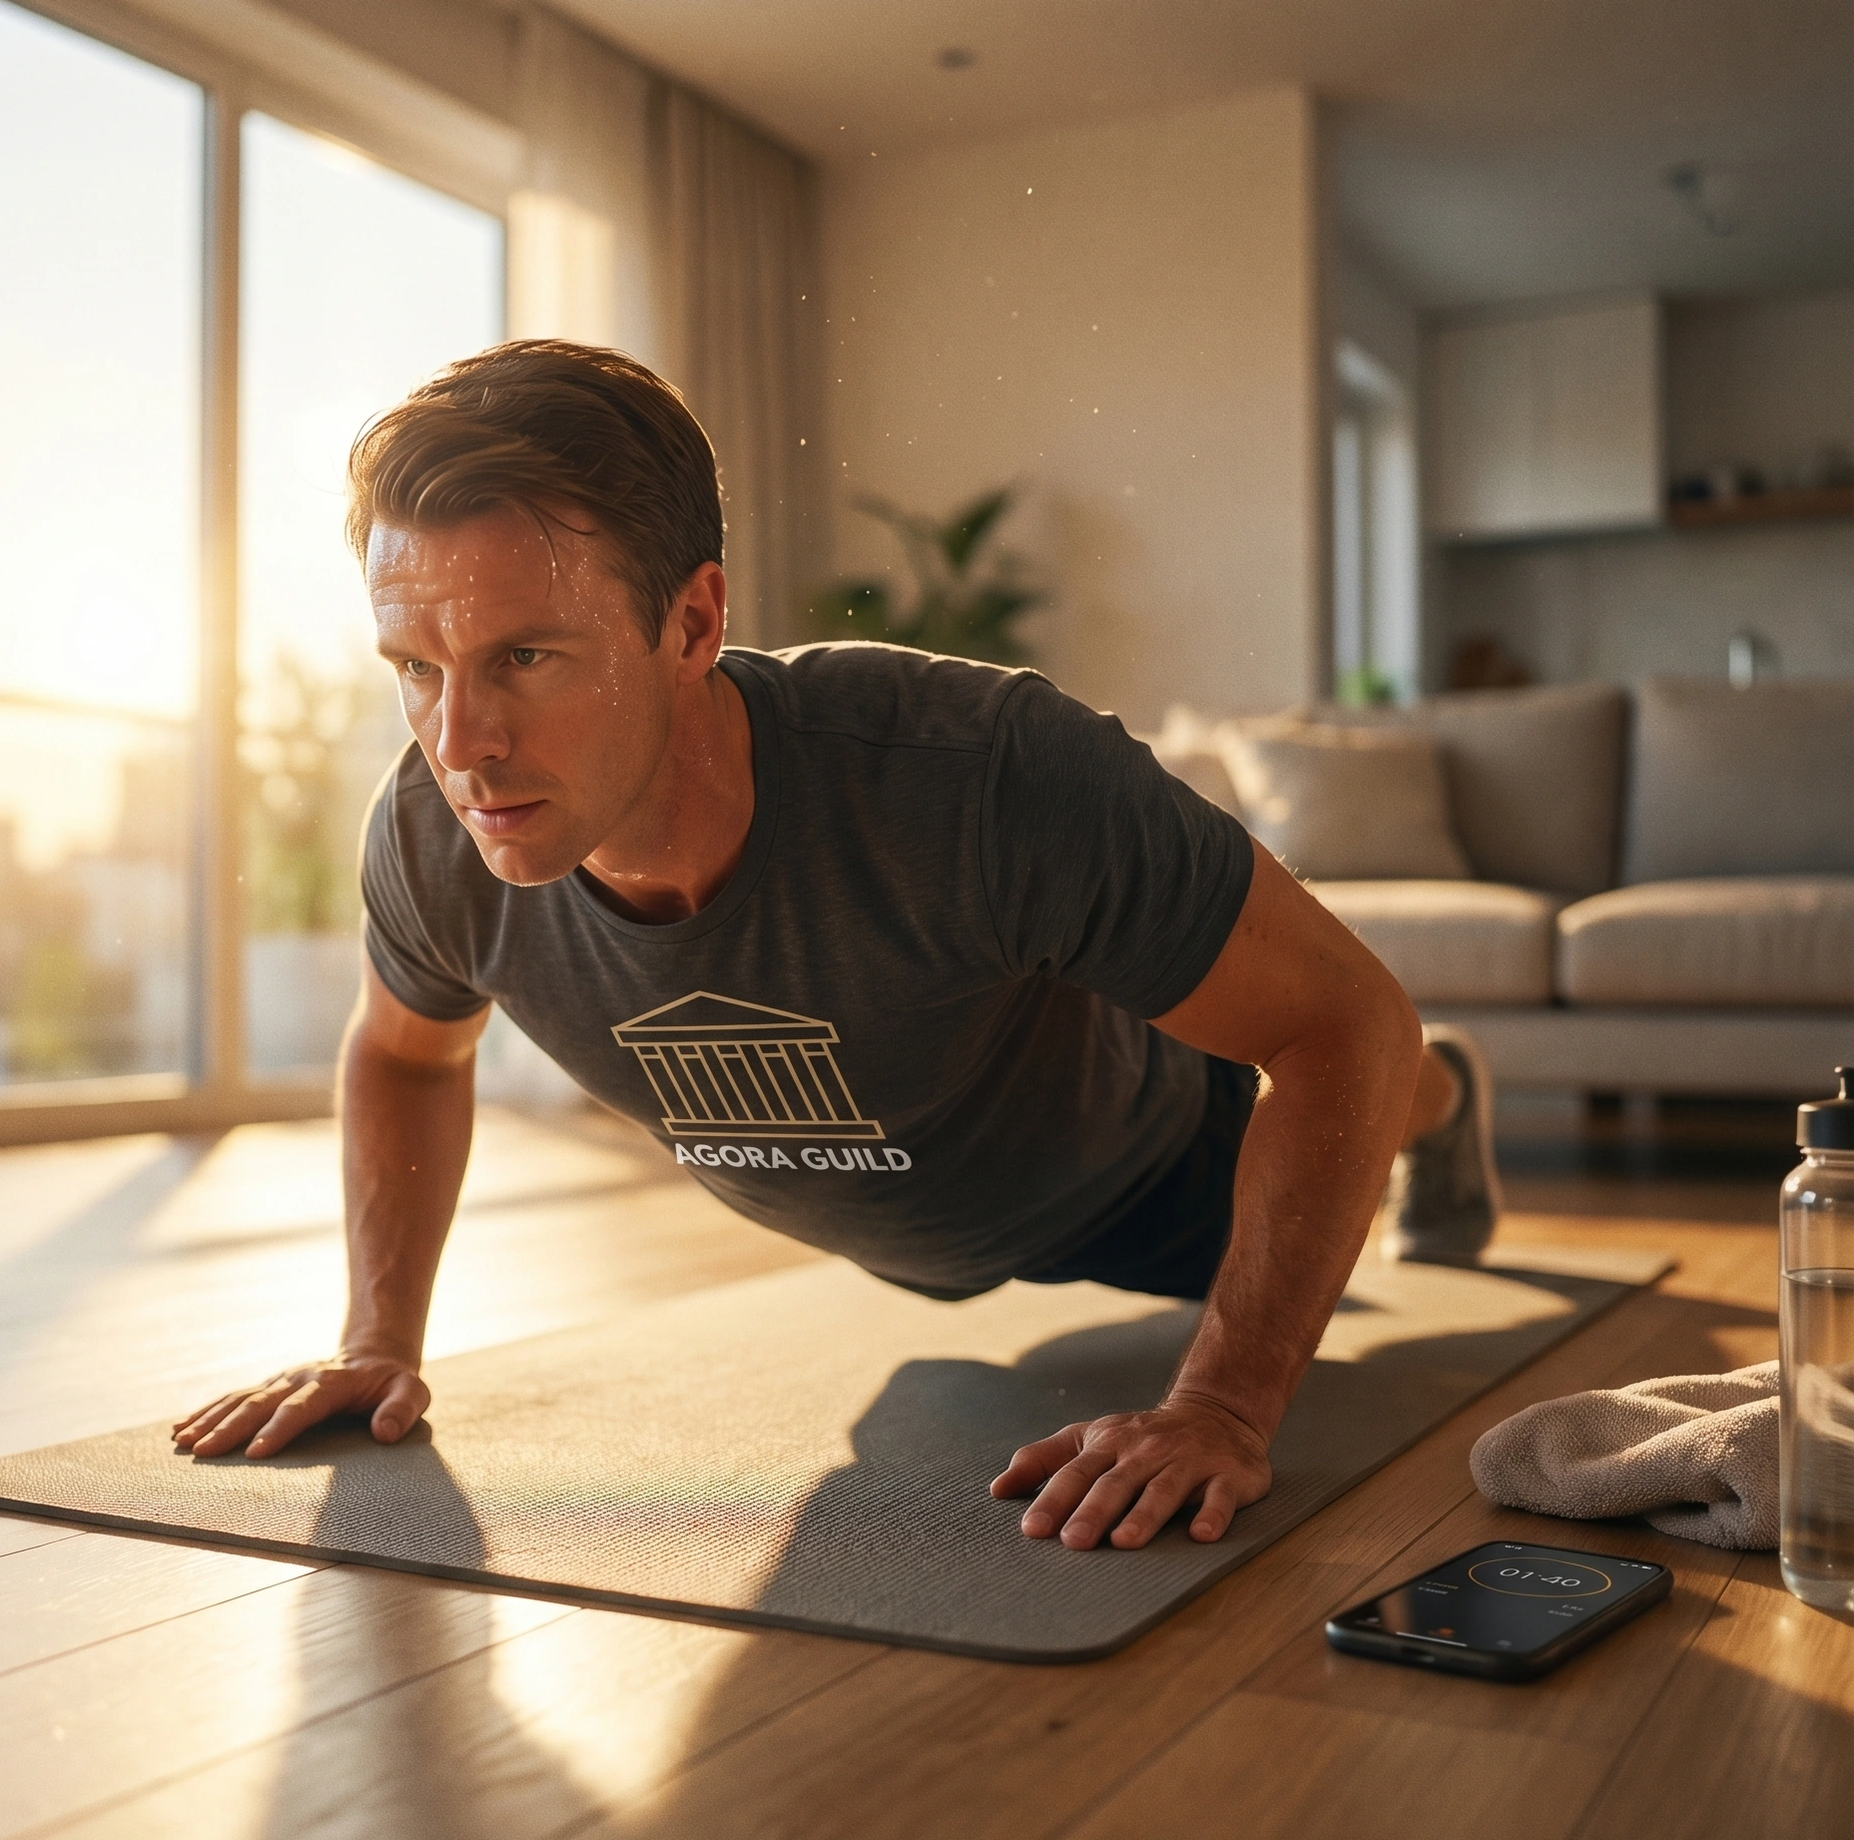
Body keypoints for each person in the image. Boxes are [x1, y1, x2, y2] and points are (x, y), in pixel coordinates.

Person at [173, 339, 1501, 1552]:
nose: (458, 741)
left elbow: (1342, 1026)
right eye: (414, 664)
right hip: (920, 1218)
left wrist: (1220, 1404)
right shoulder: (428, 840)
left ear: (693, 623)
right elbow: (406, 1057)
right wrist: (375, 1337)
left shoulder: (984, 777)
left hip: (1149, 1166)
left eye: (525, 655)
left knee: (1379, 1074)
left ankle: (1444, 1106)